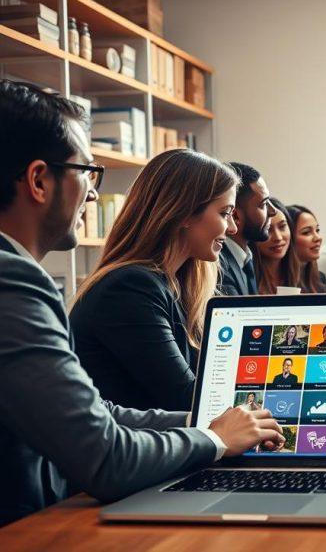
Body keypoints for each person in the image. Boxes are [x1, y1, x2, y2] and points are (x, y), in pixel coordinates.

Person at [0, 80, 282, 526]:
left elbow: (101, 411)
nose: (93, 193)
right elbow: (105, 457)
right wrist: (213, 436)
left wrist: (217, 423)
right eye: (86, 173)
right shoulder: (14, 280)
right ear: (38, 180)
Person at [70, 149, 241, 412]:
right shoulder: (129, 288)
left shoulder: (173, 285)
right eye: (225, 213)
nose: (232, 228)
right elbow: (188, 400)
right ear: (185, 213)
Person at [217, 162, 276, 296]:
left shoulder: (245, 257)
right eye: (264, 204)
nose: (273, 211)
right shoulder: (219, 267)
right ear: (235, 215)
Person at [252, 197, 296, 295]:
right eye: (268, 229)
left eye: (282, 226)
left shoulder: (302, 276)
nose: (278, 237)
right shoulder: (247, 280)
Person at [287, 204, 326, 293]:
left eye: (317, 230)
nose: (318, 238)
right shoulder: (277, 280)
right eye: (306, 232)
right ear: (288, 238)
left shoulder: (320, 278)